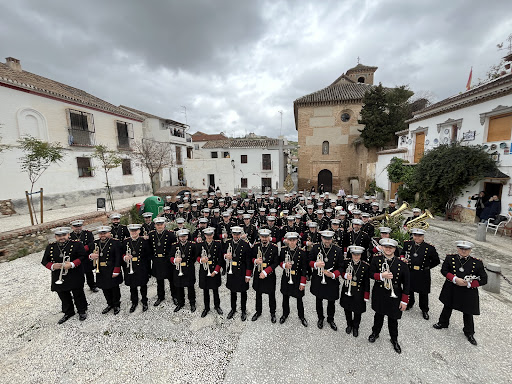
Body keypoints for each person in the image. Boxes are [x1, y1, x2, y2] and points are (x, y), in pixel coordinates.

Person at [433, 241, 488, 345]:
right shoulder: (450, 258)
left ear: (470, 250)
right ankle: (443, 323)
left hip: (467, 291)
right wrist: (454, 279)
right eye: (461, 248)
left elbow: (484, 280)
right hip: (452, 287)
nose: (463, 251)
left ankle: (469, 332)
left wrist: (469, 284)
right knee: (447, 306)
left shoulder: (477, 263)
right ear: (457, 249)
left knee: (468, 312)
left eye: (466, 249)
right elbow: (444, 270)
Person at [368, 238, 410, 354]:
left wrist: (404, 301)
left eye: (390, 247)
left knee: (393, 319)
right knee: (378, 316)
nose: (388, 249)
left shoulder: (402, 264)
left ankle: (394, 339)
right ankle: (375, 333)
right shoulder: (376, 260)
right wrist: (381, 275)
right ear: (382, 248)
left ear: (394, 249)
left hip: (395, 294)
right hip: (380, 292)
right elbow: (370, 274)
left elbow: (406, 284)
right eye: (386, 247)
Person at [41, 226, 87, 324]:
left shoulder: (77, 244)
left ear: (68, 235)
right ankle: (68, 312)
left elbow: (83, 256)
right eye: (59, 236)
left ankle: (82, 310)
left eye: (64, 235)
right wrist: (53, 266)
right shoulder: (51, 247)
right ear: (55, 236)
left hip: (74, 273)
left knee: (78, 293)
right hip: (58, 275)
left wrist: (72, 264)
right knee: (63, 295)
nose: (62, 237)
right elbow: (44, 261)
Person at [400, 228, 440, 320]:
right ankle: (410, 303)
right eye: (415, 235)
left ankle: (424, 309)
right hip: (410, 271)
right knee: (409, 289)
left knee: (423, 292)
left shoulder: (429, 248)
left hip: (423, 272)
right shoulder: (408, 244)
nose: (417, 237)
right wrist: (402, 258)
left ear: (423, 237)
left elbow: (436, 261)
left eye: (419, 236)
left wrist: (427, 267)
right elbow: (402, 253)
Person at [308, 230, 343, 331]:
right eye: (325, 239)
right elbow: (309, 261)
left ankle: (330, 319)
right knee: (319, 299)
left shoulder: (337, 250)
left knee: (331, 301)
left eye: (329, 239)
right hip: (318, 278)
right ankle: (320, 318)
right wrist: (315, 264)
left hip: (331, 279)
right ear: (322, 238)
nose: (327, 241)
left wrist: (333, 274)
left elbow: (341, 267)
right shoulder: (316, 248)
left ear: (332, 239)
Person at [89, 226, 123, 315]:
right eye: (100, 233)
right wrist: (91, 256)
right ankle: (109, 304)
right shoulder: (95, 243)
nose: (102, 235)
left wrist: (117, 269)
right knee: (104, 287)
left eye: (104, 233)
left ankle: (116, 304)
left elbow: (118, 257)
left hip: (112, 268)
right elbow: (86, 252)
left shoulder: (115, 242)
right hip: (100, 269)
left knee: (114, 287)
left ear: (109, 233)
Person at [279, 232, 308, 327]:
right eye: (290, 240)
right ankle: (285, 314)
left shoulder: (302, 252)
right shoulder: (283, 251)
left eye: (294, 240)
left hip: (297, 278)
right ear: (286, 240)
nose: (292, 242)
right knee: (285, 297)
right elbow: (279, 262)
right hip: (286, 277)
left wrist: (303, 283)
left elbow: (304, 268)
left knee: (299, 298)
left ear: (297, 240)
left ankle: (301, 316)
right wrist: (284, 265)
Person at [340, 245, 370, 337]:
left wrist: (366, 295)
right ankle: (349, 324)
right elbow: (340, 270)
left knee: (358, 311)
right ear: (351, 254)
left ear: (361, 255)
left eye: (358, 254)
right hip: (347, 289)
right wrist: (345, 275)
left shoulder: (365, 266)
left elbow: (367, 282)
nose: (356, 256)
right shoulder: (346, 263)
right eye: (354, 254)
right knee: (347, 309)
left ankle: (356, 327)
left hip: (359, 291)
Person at [224, 226, 253, 321]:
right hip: (231, 270)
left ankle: (243, 310)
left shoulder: (245, 244)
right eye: (234, 234)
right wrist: (225, 256)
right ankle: (233, 309)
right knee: (232, 291)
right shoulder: (228, 243)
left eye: (238, 234)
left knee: (243, 292)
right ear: (232, 234)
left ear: (240, 235)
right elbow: (221, 253)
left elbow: (249, 261)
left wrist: (248, 274)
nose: (236, 236)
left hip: (242, 271)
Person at [251, 228, 280, 323]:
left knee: (271, 294)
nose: (264, 239)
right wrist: (255, 261)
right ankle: (258, 312)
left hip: (269, 274)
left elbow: (276, 263)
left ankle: (272, 313)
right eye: (262, 237)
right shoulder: (256, 246)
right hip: (258, 273)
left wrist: (266, 272)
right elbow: (250, 258)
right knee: (258, 294)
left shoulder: (274, 247)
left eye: (266, 237)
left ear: (269, 237)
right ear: (259, 237)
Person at [149, 217, 177, 307]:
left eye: (161, 224)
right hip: (157, 260)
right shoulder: (151, 235)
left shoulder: (170, 235)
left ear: (164, 225)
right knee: (159, 280)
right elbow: (148, 248)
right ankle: (160, 297)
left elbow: (175, 247)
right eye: (158, 225)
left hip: (167, 260)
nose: (159, 226)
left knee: (171, 280)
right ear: (155, 226)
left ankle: (174, 296)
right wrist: (152, 258)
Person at [122, 224, 151, 313]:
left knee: (143, 285)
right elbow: (122, 253)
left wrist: (148, 270)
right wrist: (125, 257)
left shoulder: (144, 241)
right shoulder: (125, 241)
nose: (134, 232)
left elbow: (148, 256)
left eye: (136, 230)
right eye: (132, 231)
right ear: (129, 232)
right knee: (132, 286)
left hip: (142, 267)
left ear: (139, 231)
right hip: (131, 267)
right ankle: (134, 302)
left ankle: (144, 301)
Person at [197, 227, 223, 317]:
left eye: (211, 235)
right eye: (207, 235)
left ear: (213, 235)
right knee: (205, 290)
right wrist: (201, 260)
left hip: (214, 269)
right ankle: (206, 308)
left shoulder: (218, 244)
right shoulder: (200, 245)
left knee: (215, 290)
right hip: (204, 270)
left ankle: (217, 306)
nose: (209, 236)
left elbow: (220, 260)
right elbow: (196, 256)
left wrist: (216, 271)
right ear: (204, 235)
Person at [170, 228, 197, 313]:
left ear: (187, 236)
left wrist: (190, 263)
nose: (183, 238)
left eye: (184, 236)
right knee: (178, 287)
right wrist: (174, 260)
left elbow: (195, 256)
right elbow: (170, 256)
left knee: (190, 287)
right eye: (181, 237)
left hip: (189, 268)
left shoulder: (192, 245)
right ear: (178, 237)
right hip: (178, 269)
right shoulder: (174, 246)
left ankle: (192, 303)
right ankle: (180, 303)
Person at [69, 219, 98, 292]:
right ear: (72, 227)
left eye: (79, 226)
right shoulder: (70, 236)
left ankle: (92, 286)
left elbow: (91, 243)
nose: (78, 228)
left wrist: (82, 249)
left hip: (86, 255)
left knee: (89, 272)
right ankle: (77, 288)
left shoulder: (88, 234)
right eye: (76, 226)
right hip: (76, 257)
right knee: (76, 274)